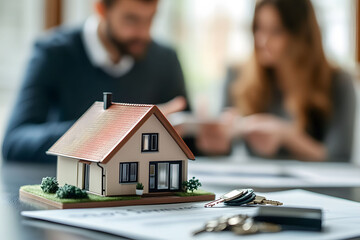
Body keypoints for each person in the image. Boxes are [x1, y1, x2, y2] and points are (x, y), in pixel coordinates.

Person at [2, 0, 189, 163]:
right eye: (131, 19)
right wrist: (115, 127)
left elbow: (185, 140)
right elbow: (15, 143)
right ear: (101, 9)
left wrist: (210, 141)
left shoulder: (166, 59)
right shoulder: (53, 54)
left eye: (151, 19)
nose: (144, 33)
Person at [196, 0, 356, 162]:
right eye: (259, 29)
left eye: (276, 31)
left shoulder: (338, 81)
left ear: (301, 35)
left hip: (316, 186)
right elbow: (221, 153)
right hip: (252, 185)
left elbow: (340, 157)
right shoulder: (238, 76)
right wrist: (216, 137)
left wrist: (286, 136)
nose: (262, 41)